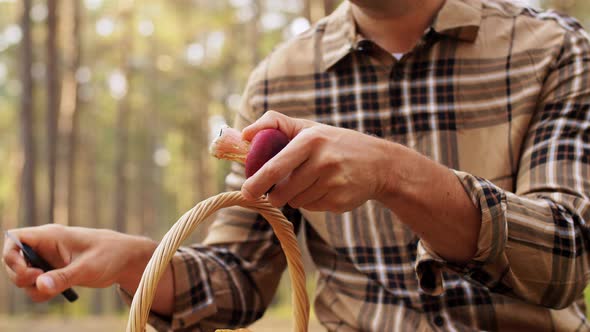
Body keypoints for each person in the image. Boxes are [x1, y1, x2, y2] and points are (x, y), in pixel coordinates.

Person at [4, 0, 590, 330]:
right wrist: (137, 262)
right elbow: (238, 279)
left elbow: (568, 260)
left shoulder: (553, 49)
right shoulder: (278, 79)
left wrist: (393, 173)